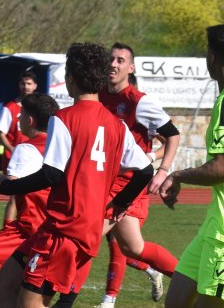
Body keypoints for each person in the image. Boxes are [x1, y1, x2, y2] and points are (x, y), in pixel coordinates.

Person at [0, 43, 153, 308]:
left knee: (30, 303)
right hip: (69, 227)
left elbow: (51, 174)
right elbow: (146, 170)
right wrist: (122, 201)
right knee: (4, 283)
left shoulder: (64, 118)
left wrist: (5, 186)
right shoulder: (117, 125)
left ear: (70, 78)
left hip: (65, 230)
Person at [90, 42, 179, 308]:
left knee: (86, 239)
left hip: (128, 186)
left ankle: (99, 300)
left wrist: (160, 170)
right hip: (102, 182)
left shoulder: (139, 101)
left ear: (131, 67)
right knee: (132, 249)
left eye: (120, 60)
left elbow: (172, 135)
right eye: (111, 59)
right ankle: (191, 279)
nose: (113, 64)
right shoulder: (96, 97)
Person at [0, 92, 60, 308]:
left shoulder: (25, 148)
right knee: (7, 289)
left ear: (30, 120)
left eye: (21, 115)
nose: (18, 119)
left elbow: (14, 185)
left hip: (27, 229)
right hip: (56, 233)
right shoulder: (60, 148)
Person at [158, 24, 224, 308]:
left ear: (214, 58)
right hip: (212, 226)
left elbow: (222, 167)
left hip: (223, 237)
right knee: (176, 300)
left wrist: (178, 174)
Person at [0, 71, 39, 170]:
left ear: (35, 86)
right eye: (23, 84)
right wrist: (13, 150)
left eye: (29, 84)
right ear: (19, 85)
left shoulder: (38, 108)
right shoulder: (9, 108)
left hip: (33, 157)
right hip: (13, 159)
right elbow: (1, 134)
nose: (26, 87)